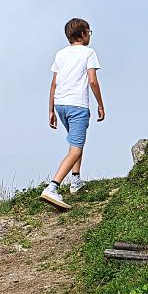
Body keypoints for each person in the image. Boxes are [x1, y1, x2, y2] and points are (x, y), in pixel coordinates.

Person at [40, 18, 105, 210]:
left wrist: (50, 109)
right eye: (89, 32)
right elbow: (92, 81)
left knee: (76, 142)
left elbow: (54, 83)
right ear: (84, 33)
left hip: (61, 104)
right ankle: (53, 187)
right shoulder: (89, 53)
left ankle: (75, 181)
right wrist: (100, 104)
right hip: (77, 106)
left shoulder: (60, 54)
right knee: (75, 149)